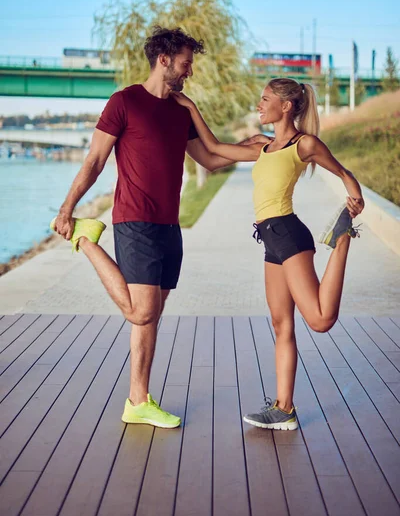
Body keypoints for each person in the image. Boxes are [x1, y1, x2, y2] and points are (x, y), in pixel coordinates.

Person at [50, 27, 245, 429]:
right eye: (187, 63)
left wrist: (261, 150)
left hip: (168, 224)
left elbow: (209, 158)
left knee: (150, 316)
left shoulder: (179, 111)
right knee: (142, 311)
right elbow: (94, 161)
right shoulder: (124, 102)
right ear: (165, 59)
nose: (190, 71)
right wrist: (68, 209)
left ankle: (137, 401)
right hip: (134, 218)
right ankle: (86, 239)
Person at [172, 77, 364, 431]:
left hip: (289, 235)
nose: (259, 105)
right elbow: (212, 151)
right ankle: (283, 409)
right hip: (271, 240)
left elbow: (341, 170)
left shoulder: (303, 144)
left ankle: (342, 239)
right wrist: (186, 110)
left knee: (320, 320)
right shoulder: (262, 146)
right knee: (281, 325)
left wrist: (355, 200)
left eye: (265, 99)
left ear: (286, 106)